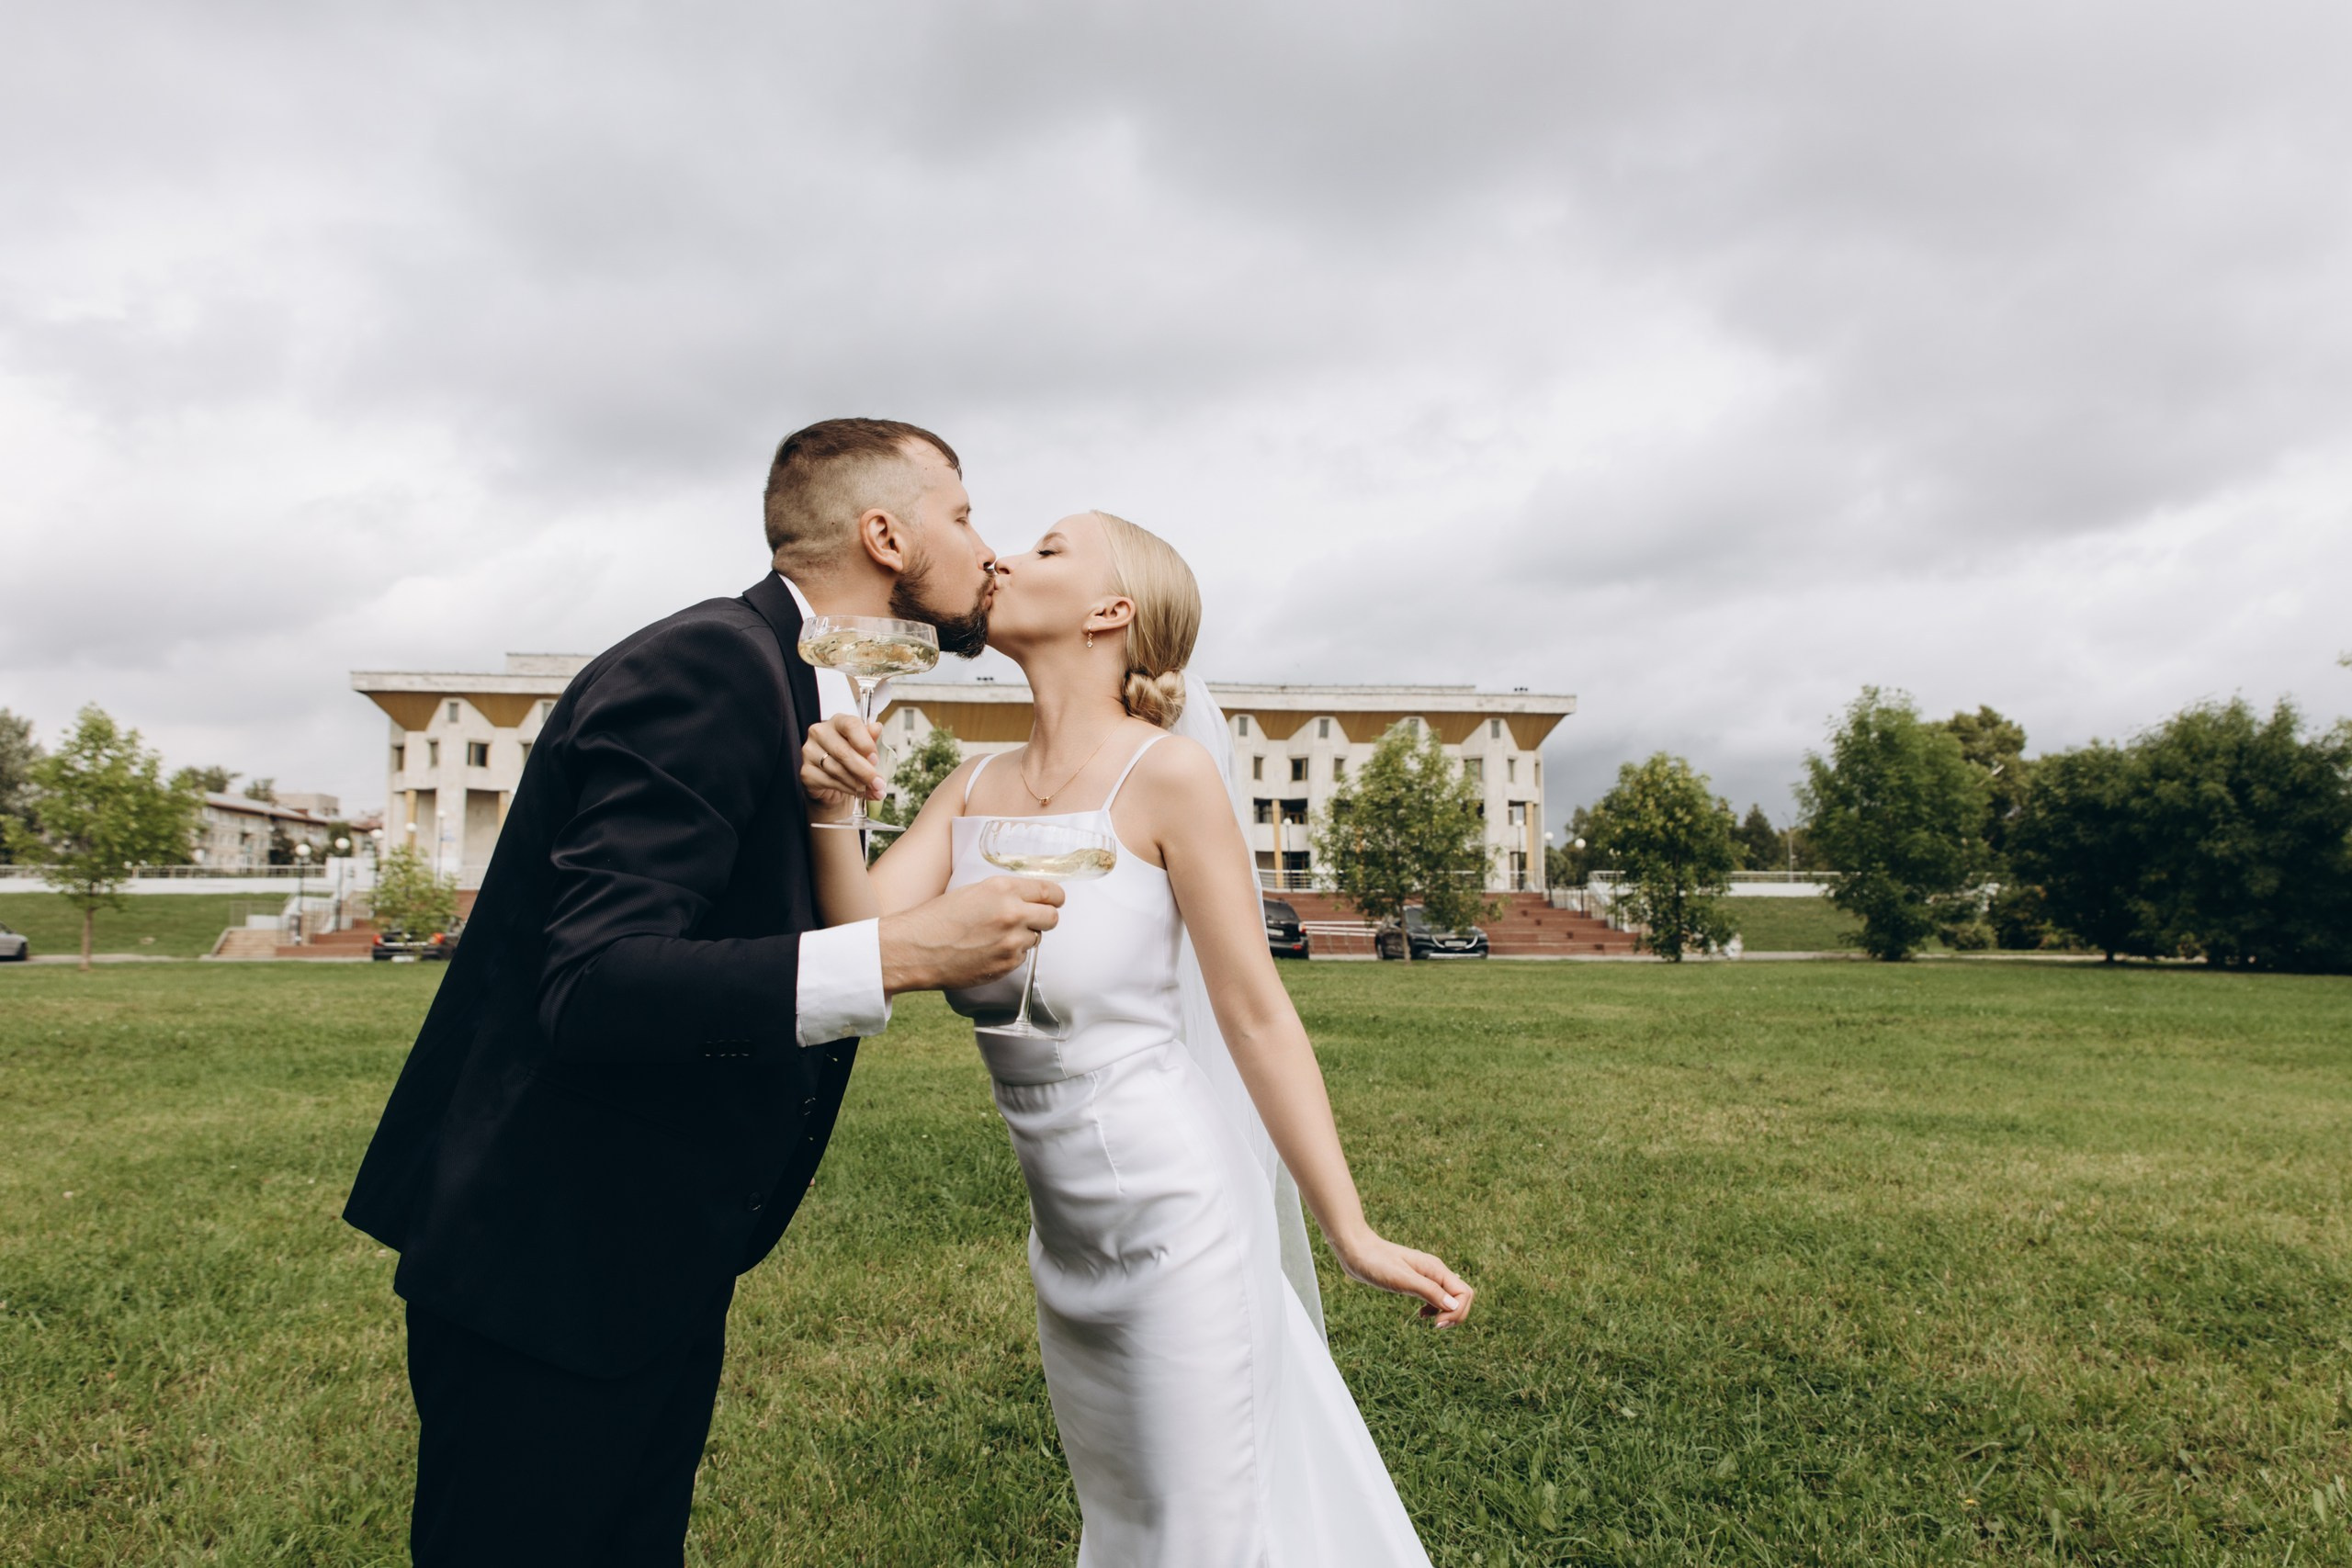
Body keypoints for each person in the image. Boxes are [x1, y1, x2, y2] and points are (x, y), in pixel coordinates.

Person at [343, 418, 1067, 1568]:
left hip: (642, 1254)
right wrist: (901, 953)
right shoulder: (711, 665)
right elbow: (595, 983)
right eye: (965, 515)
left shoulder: (804, 691)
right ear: (885, 536)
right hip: (550, 1258)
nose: (987, 549)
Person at [800, 509, 1474, 1564]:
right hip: (1066, 1238)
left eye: (1047, 550)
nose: (1001, 556)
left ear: (1111, 612)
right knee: (1127, 1527)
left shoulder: (1168, 777)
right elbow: (858, 946)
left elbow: (1255, 1013)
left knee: (1203, 1531)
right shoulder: (969, 787)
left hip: (1180, 1223)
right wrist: (830, 806)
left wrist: (1350, 1230)